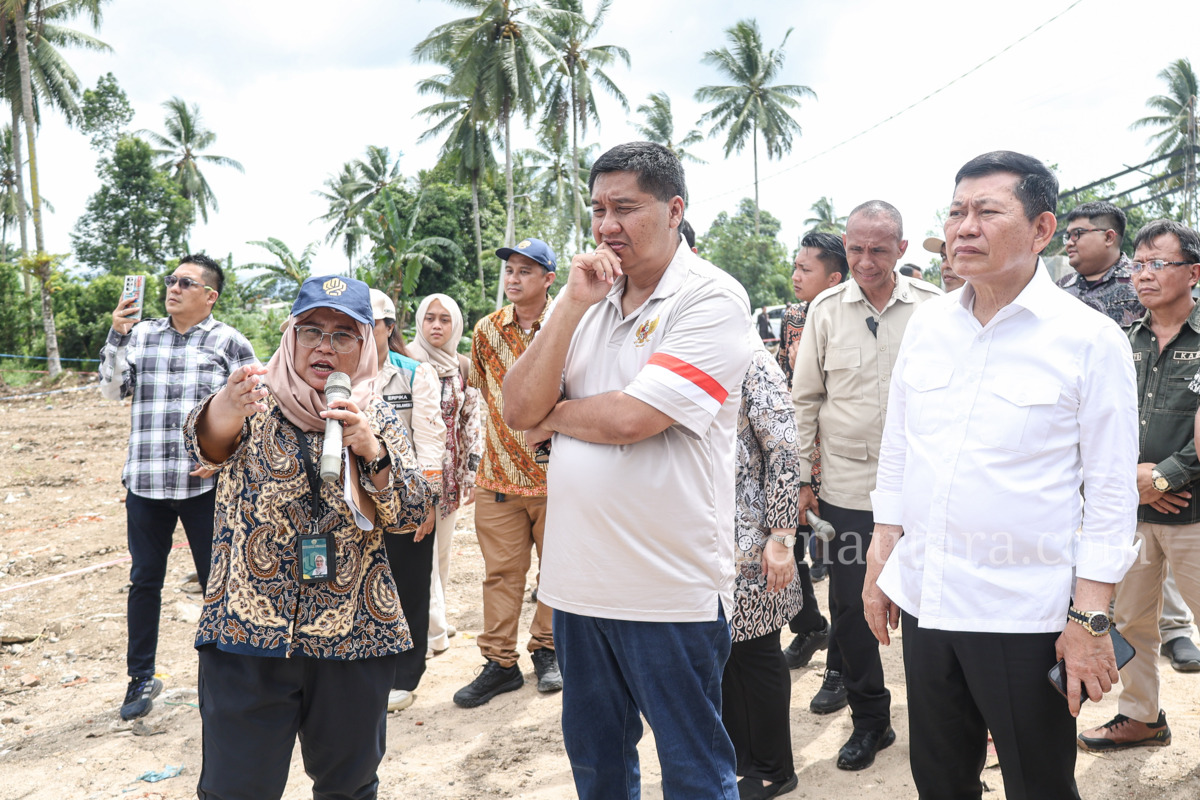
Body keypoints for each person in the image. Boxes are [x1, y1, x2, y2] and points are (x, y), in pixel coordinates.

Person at [863, 151, 1139, 799]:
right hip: (929, 601)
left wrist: (1090, 619)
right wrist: (880, 561)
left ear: (1042, 231)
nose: (964, 227)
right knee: (940, 776)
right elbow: (899, 449)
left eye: (987, 212)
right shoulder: (929, 326)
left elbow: (1107, 491)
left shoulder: (1088, 340)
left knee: (1038, 780)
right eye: (957, 211)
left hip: (1025, 612)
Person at [502, 141, 753, 799]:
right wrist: (569, 306)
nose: (607, 226)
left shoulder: (711, 298)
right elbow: (515, 406)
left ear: (674, 211)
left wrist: (556, 418)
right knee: (599, 770)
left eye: (625, 208)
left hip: (667, 592)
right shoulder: (588, 305)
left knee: (695, 773)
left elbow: (633, 418)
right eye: (597, 209)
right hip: (577, 589)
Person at [184, 274, 430, 800]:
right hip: (249, 633)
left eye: (343, 335)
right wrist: (224, 409)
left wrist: (371, 451)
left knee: (349, 787)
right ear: (289, 335)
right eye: (312, 330)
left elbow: (411, 512)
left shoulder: (376, 413)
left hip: (354, 634)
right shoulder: (251, 398)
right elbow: (203, 446)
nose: (325, 346)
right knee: (235, 790)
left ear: (366, 344)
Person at [791, 200, 941, 770]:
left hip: (923, 492)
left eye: (879, 250)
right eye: (855, 249)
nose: (865, 261)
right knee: (853, 612)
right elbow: (805, 401)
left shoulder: (935, 309)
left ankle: (941, 722)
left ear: (903, 249)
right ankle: (871, 721)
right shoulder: (826, 310)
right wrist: (803, 478)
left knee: (931, 612)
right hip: (850, 492)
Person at [98, 253, 258, 721]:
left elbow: (258, 406)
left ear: (210, 295)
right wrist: (117, 335)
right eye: (170, 280)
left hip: (204, 486)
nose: (172, 288)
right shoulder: (141, 335)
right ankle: (140, 678)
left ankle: (224, 678)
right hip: (146, 481)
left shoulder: (229, 342)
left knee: (218, 581)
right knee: (145, 581)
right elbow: (111, 391)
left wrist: (228, 455)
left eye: (185, 282)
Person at [1057, 206, 1198, 672]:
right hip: (1128, 513)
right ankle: (1140, 717)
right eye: (1138, 265)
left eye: (1158, 264)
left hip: (1192, 509)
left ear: (1193, 273)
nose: (1144, 275)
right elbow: (1091, 424)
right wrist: (1131, 483)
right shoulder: (1118, 342)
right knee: (1133, 624)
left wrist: (1160, 479)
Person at [455, 237, 562, 709]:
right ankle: (499, 664)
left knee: (558, 573)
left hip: (558, 478)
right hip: (496, 476)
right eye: (510, 270)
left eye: (525, 271)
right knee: (501, 574)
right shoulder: (485, 331)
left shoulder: (568, 326)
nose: (513, 278)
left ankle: (548, 651)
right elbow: (483, 390)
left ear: (548, 278)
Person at [723, 346, 803, 800]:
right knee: (724, 652)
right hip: (701, 535)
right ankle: (742, 760)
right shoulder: (686, 352)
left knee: (755, 651)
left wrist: (781, 536)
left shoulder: (752, 361)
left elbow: (785, 454)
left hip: (750, 534)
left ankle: (774, 767)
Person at [370, 289, 447, 713]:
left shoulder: (414, 373)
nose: (363, 332)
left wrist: (427, 502)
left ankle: (406, 673)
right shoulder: (340, 373)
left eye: (372, 324)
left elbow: (430, 441)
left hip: (404, 497)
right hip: (356, 499)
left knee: (409, 585)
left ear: (389, 327)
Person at [777, 233, 846, 683]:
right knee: (789, 547)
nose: (796, 276)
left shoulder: (849, 316)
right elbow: (790, 387)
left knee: (842, 565)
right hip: (797, 455)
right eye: (796, 266)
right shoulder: (793, 316)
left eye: (807, 269)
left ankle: (841, 666)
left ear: (834, 278)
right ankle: (810, 627)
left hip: (840, 462)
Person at [408, 293, 481, 658]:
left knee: (443, 554)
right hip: (418, 475)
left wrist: (471, 474)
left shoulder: (461, 366)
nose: (436, 326)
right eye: (429, 318)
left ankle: (437, 616)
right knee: (420, 553)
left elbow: (471, 422)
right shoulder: (406, 361)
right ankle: (425, 630)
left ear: (456, 325)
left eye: (444, 319)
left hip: (451, 474)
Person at [1056, 200, 1144, 327]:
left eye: (1077, 234)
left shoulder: (1142, 281)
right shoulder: (1060, 288)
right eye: (1068, 236)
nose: (1069, 243)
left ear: (1108, 237)